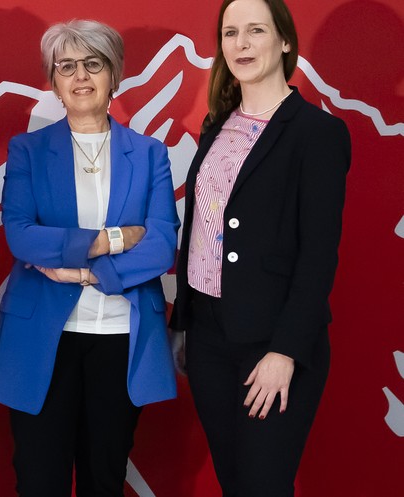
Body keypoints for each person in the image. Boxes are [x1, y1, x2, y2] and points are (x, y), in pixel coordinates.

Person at [0, 19, 179, 497]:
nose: (80, 76)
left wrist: (91, 274)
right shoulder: (28, 150)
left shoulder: (149, 153)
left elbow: (160, 244)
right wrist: (112, 240)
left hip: (120, 335)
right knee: (38, 479)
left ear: (114, 75)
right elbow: (23, 237)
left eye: (93, 64)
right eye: (66, 67)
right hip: (41, 336)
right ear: (54, 82)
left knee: (103, 478)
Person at [168, 0, 351, 496]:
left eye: (256, 31)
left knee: (263, 485)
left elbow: (319, 254)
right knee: (234, 484)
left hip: (272, 341)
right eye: (230, 33)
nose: (241, 44)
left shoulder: (317, 133)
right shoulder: (216, 126)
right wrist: (184, 323)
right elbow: (200, 231)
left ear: (285, 40)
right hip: (207, 338)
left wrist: (285, 351)